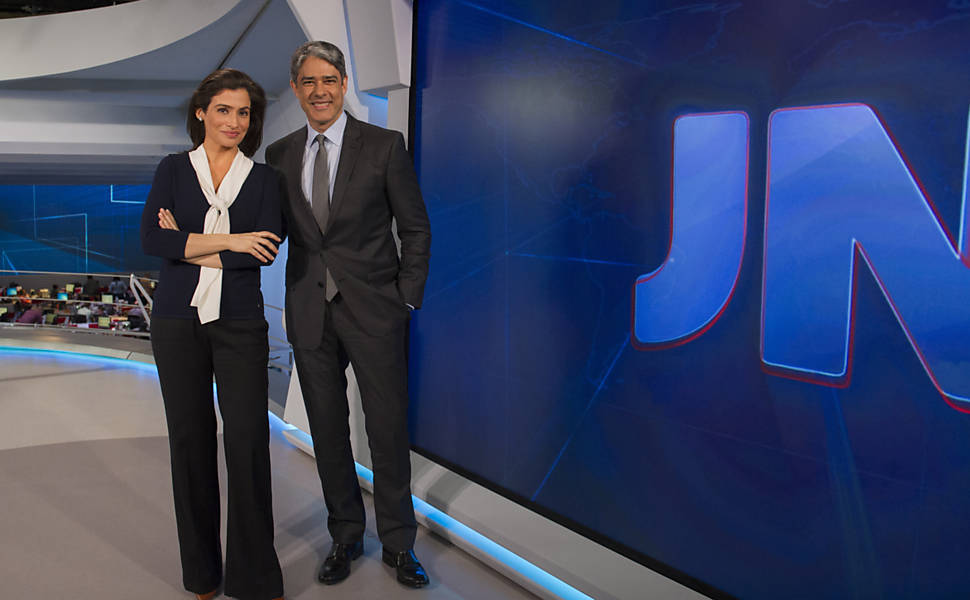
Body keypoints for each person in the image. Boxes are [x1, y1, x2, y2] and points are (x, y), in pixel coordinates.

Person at [265, 41, 432, 589]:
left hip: (376, 312)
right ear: (296, 89)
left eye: (329, 80)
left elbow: (415, 228)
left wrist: (406, 298)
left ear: (342, 84)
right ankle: (344, 535)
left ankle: (399, 544)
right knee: (329, 434)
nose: (319, 91)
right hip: (311, 315)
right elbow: (274, 231)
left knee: (385, 431)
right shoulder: (281, 154)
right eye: (308, 82)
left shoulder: (385, 146)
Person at [141, 68, 284, 600]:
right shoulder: (172, 170)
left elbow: (263, 251)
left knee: (248, 446)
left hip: (241, 323)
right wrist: (233, 241)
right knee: (190, 445)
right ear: (201, 112)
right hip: (177, 321)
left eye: (244, 112)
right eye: (224, 110)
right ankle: (202, 576)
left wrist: (188, 240)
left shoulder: (267, 180)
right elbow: (153, 240)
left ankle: (254, 581)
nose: (234, 121)